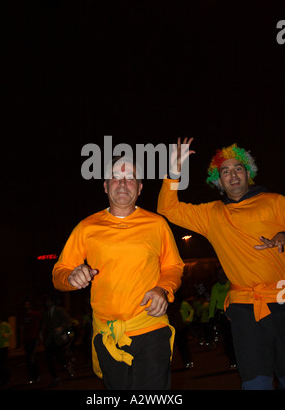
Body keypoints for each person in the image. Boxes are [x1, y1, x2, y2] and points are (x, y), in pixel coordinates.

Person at [157, 138, 285, 390]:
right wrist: (173, 172)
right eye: (224, 171)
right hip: (245, 310)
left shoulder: (276, 201)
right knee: (255, 383)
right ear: (218, 180)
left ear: (249, 173)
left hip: (283, 300)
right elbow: (167, 208)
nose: (232, 174)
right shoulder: (211, 214)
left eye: (238, 168)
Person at [52, 156, 184, 390]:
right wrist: (70, 277)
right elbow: (59, 273)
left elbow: (173, 266)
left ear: (140, 188)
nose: (123, 184)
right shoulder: (87, 227)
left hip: (151, 327)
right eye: (116, 177)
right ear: (105, 186)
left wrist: (163, 289)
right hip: (108, 333)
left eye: (130, 178)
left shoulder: (157, 224)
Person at [40, 293, 73, 386]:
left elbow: (68, 320)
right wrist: (41, 332)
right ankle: (56, 377)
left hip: (59, 338)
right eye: (46, 301)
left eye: (48, 301)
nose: (46, 303)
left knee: (60, 357)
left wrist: (61, 328)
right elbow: (44, 323)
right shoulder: (46, 313)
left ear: (52, 302)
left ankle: (67, 366)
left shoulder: (60, 310)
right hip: (50, 339)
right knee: (48, 358)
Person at [209, 268, 236, 368]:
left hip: (234, 313)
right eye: (219, 275)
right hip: (223, 316)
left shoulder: (231, 283)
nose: (221, 277)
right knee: (227, 340)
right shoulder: (215, 288)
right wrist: (211, 316)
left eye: (223, 274)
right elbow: (212, 303)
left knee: (236, 338)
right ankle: (233, 361)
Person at [22, 300, 41, 384]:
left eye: (27, 304)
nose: (26, 306)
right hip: (27, 339)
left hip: (33, 337)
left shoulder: (35, 314)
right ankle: (31, 376)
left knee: (32, 358)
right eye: (25, 305)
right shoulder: (24, 315)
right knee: (28, 358)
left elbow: (41, 323)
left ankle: (36, 375)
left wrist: (39, 334)